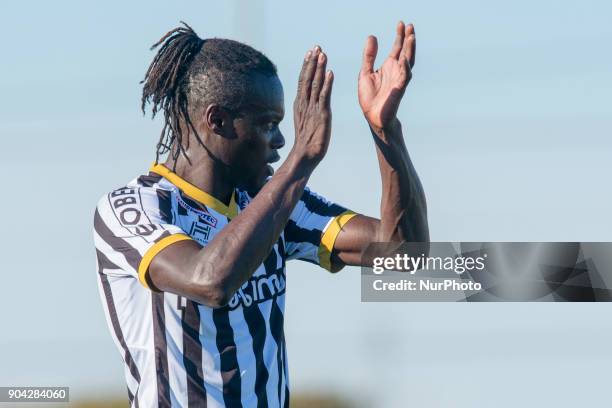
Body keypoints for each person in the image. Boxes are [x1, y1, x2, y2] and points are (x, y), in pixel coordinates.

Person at [93, 20, 427, 408]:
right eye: (269, 125)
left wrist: (386, 130)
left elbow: (405, 257)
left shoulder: (275, 202)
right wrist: (301, 159)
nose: (282, 142)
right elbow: (210, 281)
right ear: (217, 121)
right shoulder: (132, 207)